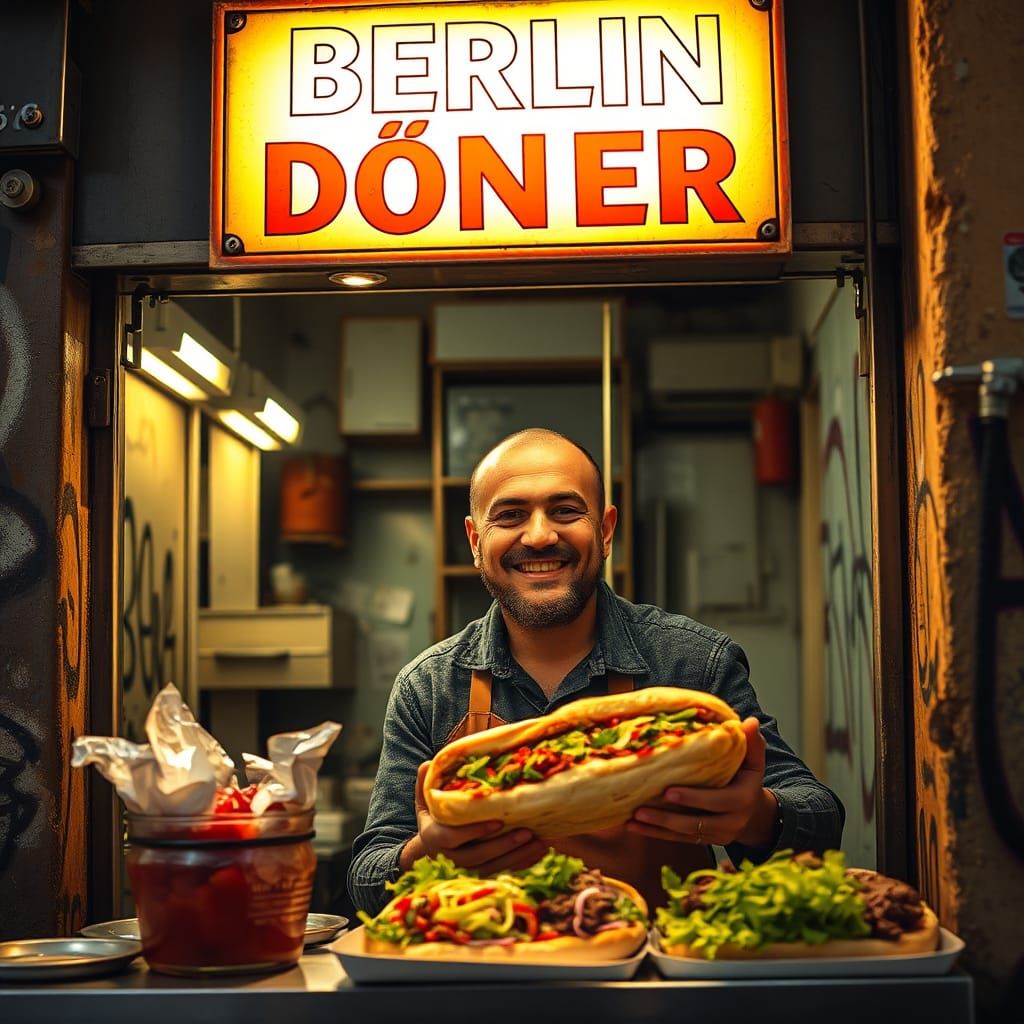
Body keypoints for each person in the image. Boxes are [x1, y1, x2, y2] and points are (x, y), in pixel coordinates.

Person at [348, 428, 844, 914]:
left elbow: (821, 821)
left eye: (565, 510)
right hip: (487, 957)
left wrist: (756, 817)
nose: (540, 535)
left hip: (656, 960)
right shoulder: (428, 687)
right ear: (476, 541)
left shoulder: (694, 662)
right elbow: (367, 876)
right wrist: (424, 857)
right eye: (510, 515)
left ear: (605, 531)